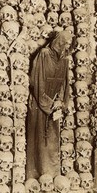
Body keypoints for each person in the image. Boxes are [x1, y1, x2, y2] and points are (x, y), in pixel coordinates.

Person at [26, 30, 73, 179]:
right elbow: (37, 81)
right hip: (40, 105)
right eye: (65, 44)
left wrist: (60, 102)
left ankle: (51, 174)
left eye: (69, 45)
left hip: (54, 105)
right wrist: (48, 104)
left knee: (52, 139)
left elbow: (65, 83)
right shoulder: (44, 54)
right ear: (59, 43)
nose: (66, 47)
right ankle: (35, 174)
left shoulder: (65, 60)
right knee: (38, 140)